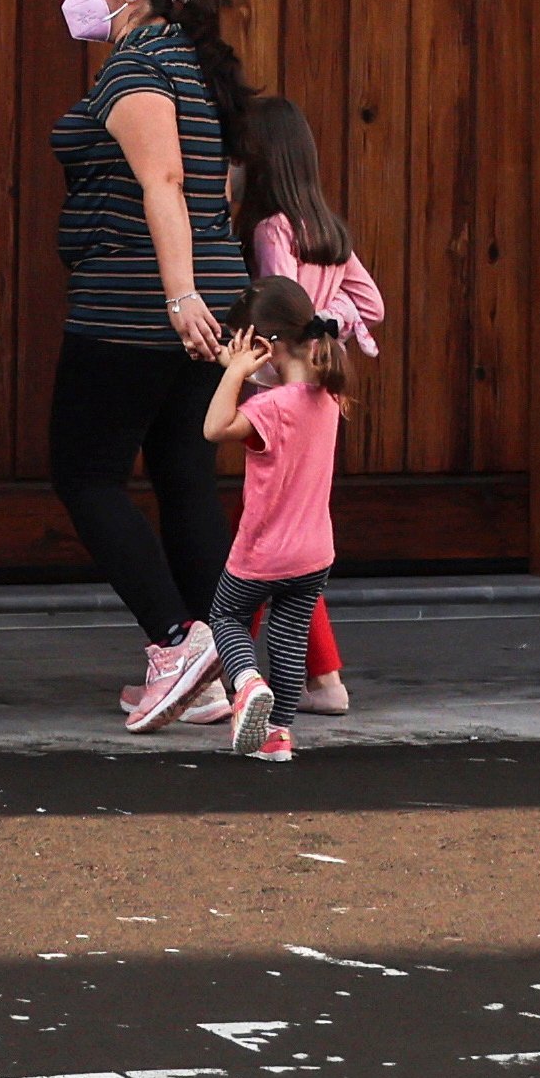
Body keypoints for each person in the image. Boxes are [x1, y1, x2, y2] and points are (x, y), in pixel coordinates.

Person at [42, 0, 256, 734]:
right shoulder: (191, 61)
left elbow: (162, 179)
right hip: (205, 300)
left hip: (133, 304)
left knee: (86, 472)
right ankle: (223, 670)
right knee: (183, 475)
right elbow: (219, 184)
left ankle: (177, 644)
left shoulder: (137, 65)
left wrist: (177, 293)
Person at [230, 97, 381, 714]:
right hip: (319, 394)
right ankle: (323, 681)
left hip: (273, 392)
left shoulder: (273, 229)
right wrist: (332, 321)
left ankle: (240, 673)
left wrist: (306, 323)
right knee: (298, 532)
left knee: (268, 538)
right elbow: (369, 306)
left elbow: (278, 303)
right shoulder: (328, 230)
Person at [198, 270, 353, 762]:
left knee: (227, 616)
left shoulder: (272, 407)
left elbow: (214, 427)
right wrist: (239, 368)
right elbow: (277, 401)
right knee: (288, 642)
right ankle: (278, 735)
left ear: (264, 345)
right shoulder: (327, 395)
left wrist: (232, 372)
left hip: (261, 554)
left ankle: (245, 684)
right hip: (314, 555)